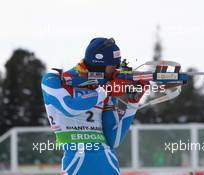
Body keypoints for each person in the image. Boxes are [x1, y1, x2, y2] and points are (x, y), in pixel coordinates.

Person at [41, 38, 147, 175]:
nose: (115, 70)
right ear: (98, 63)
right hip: (76, 162)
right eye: (112, 65)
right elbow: (70, 107)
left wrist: (133, 104)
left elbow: (113, 140)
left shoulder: (103, 89)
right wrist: (106, 90)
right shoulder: (53, 80)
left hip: (108, 163)